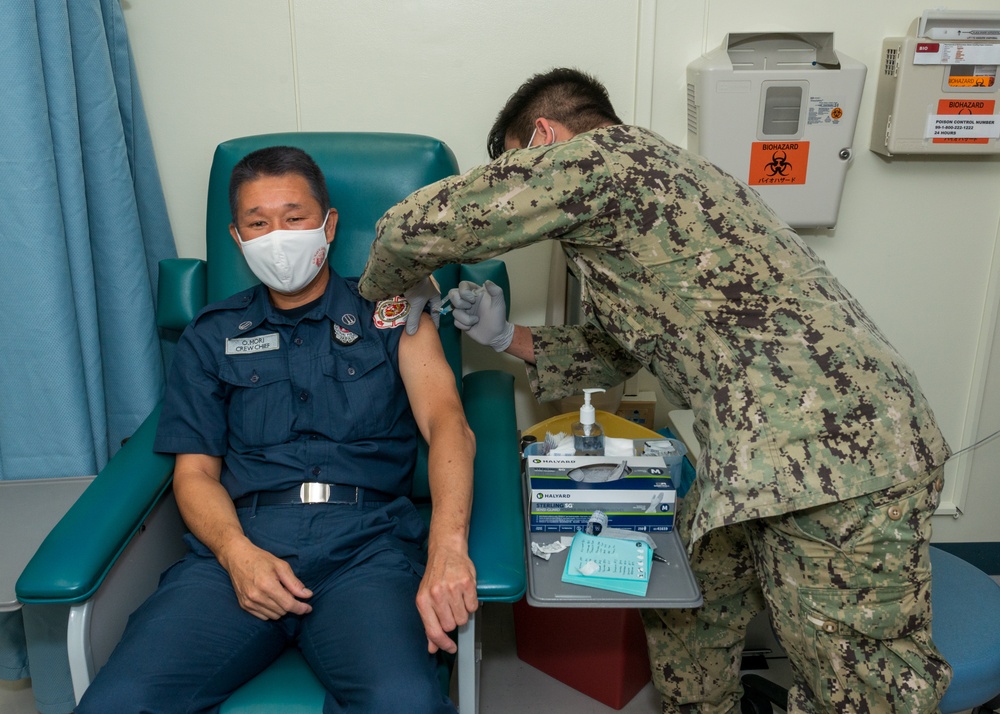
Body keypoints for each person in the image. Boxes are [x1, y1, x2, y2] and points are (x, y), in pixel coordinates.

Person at [358, 68, 953, 712]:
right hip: (758, 462)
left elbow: (406, 228)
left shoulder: (604, 160)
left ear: (543, 138)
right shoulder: (656, 193)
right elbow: (618, 351)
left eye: (515, 165)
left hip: (844, 455)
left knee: (857, 685)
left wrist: (392, 287)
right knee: (684, 599)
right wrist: (506, 337)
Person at [76, 146, 477, 714]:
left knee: (403, 702)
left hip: (367, 549)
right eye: (258, 224)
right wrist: (236, 554)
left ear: (328, 225)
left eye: (294, 218)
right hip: (241, 547)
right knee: (120, 701)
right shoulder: (211, 336)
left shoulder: (392, 313)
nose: (278, 237)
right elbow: (195, 474)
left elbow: (448, 424)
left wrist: (447, 548)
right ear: (237, 238)